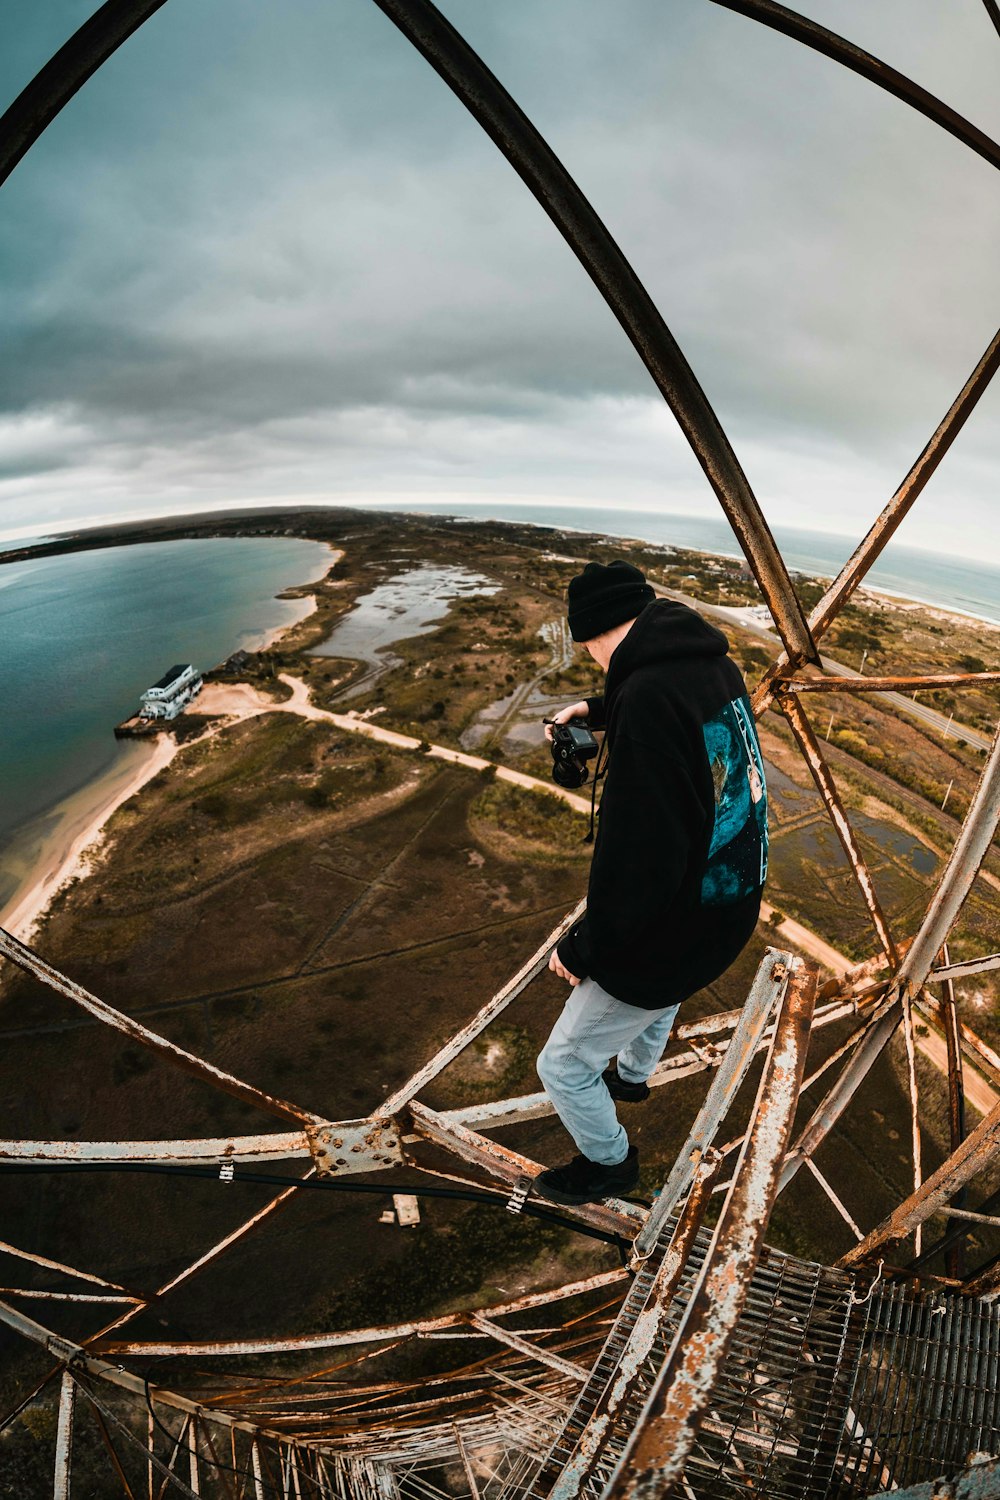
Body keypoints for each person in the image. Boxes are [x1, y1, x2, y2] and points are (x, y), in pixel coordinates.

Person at [534, 559, 768, 1205]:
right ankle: (634, 1077)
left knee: (562, 1063)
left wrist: (582, 949)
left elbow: (641, 859)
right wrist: (603, 709)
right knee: (661, 995)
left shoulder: (647, 696)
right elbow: (679, 711)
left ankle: (608, 1162)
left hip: (678, 929)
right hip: (730, 900)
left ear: (591, 634)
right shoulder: (712, 663)